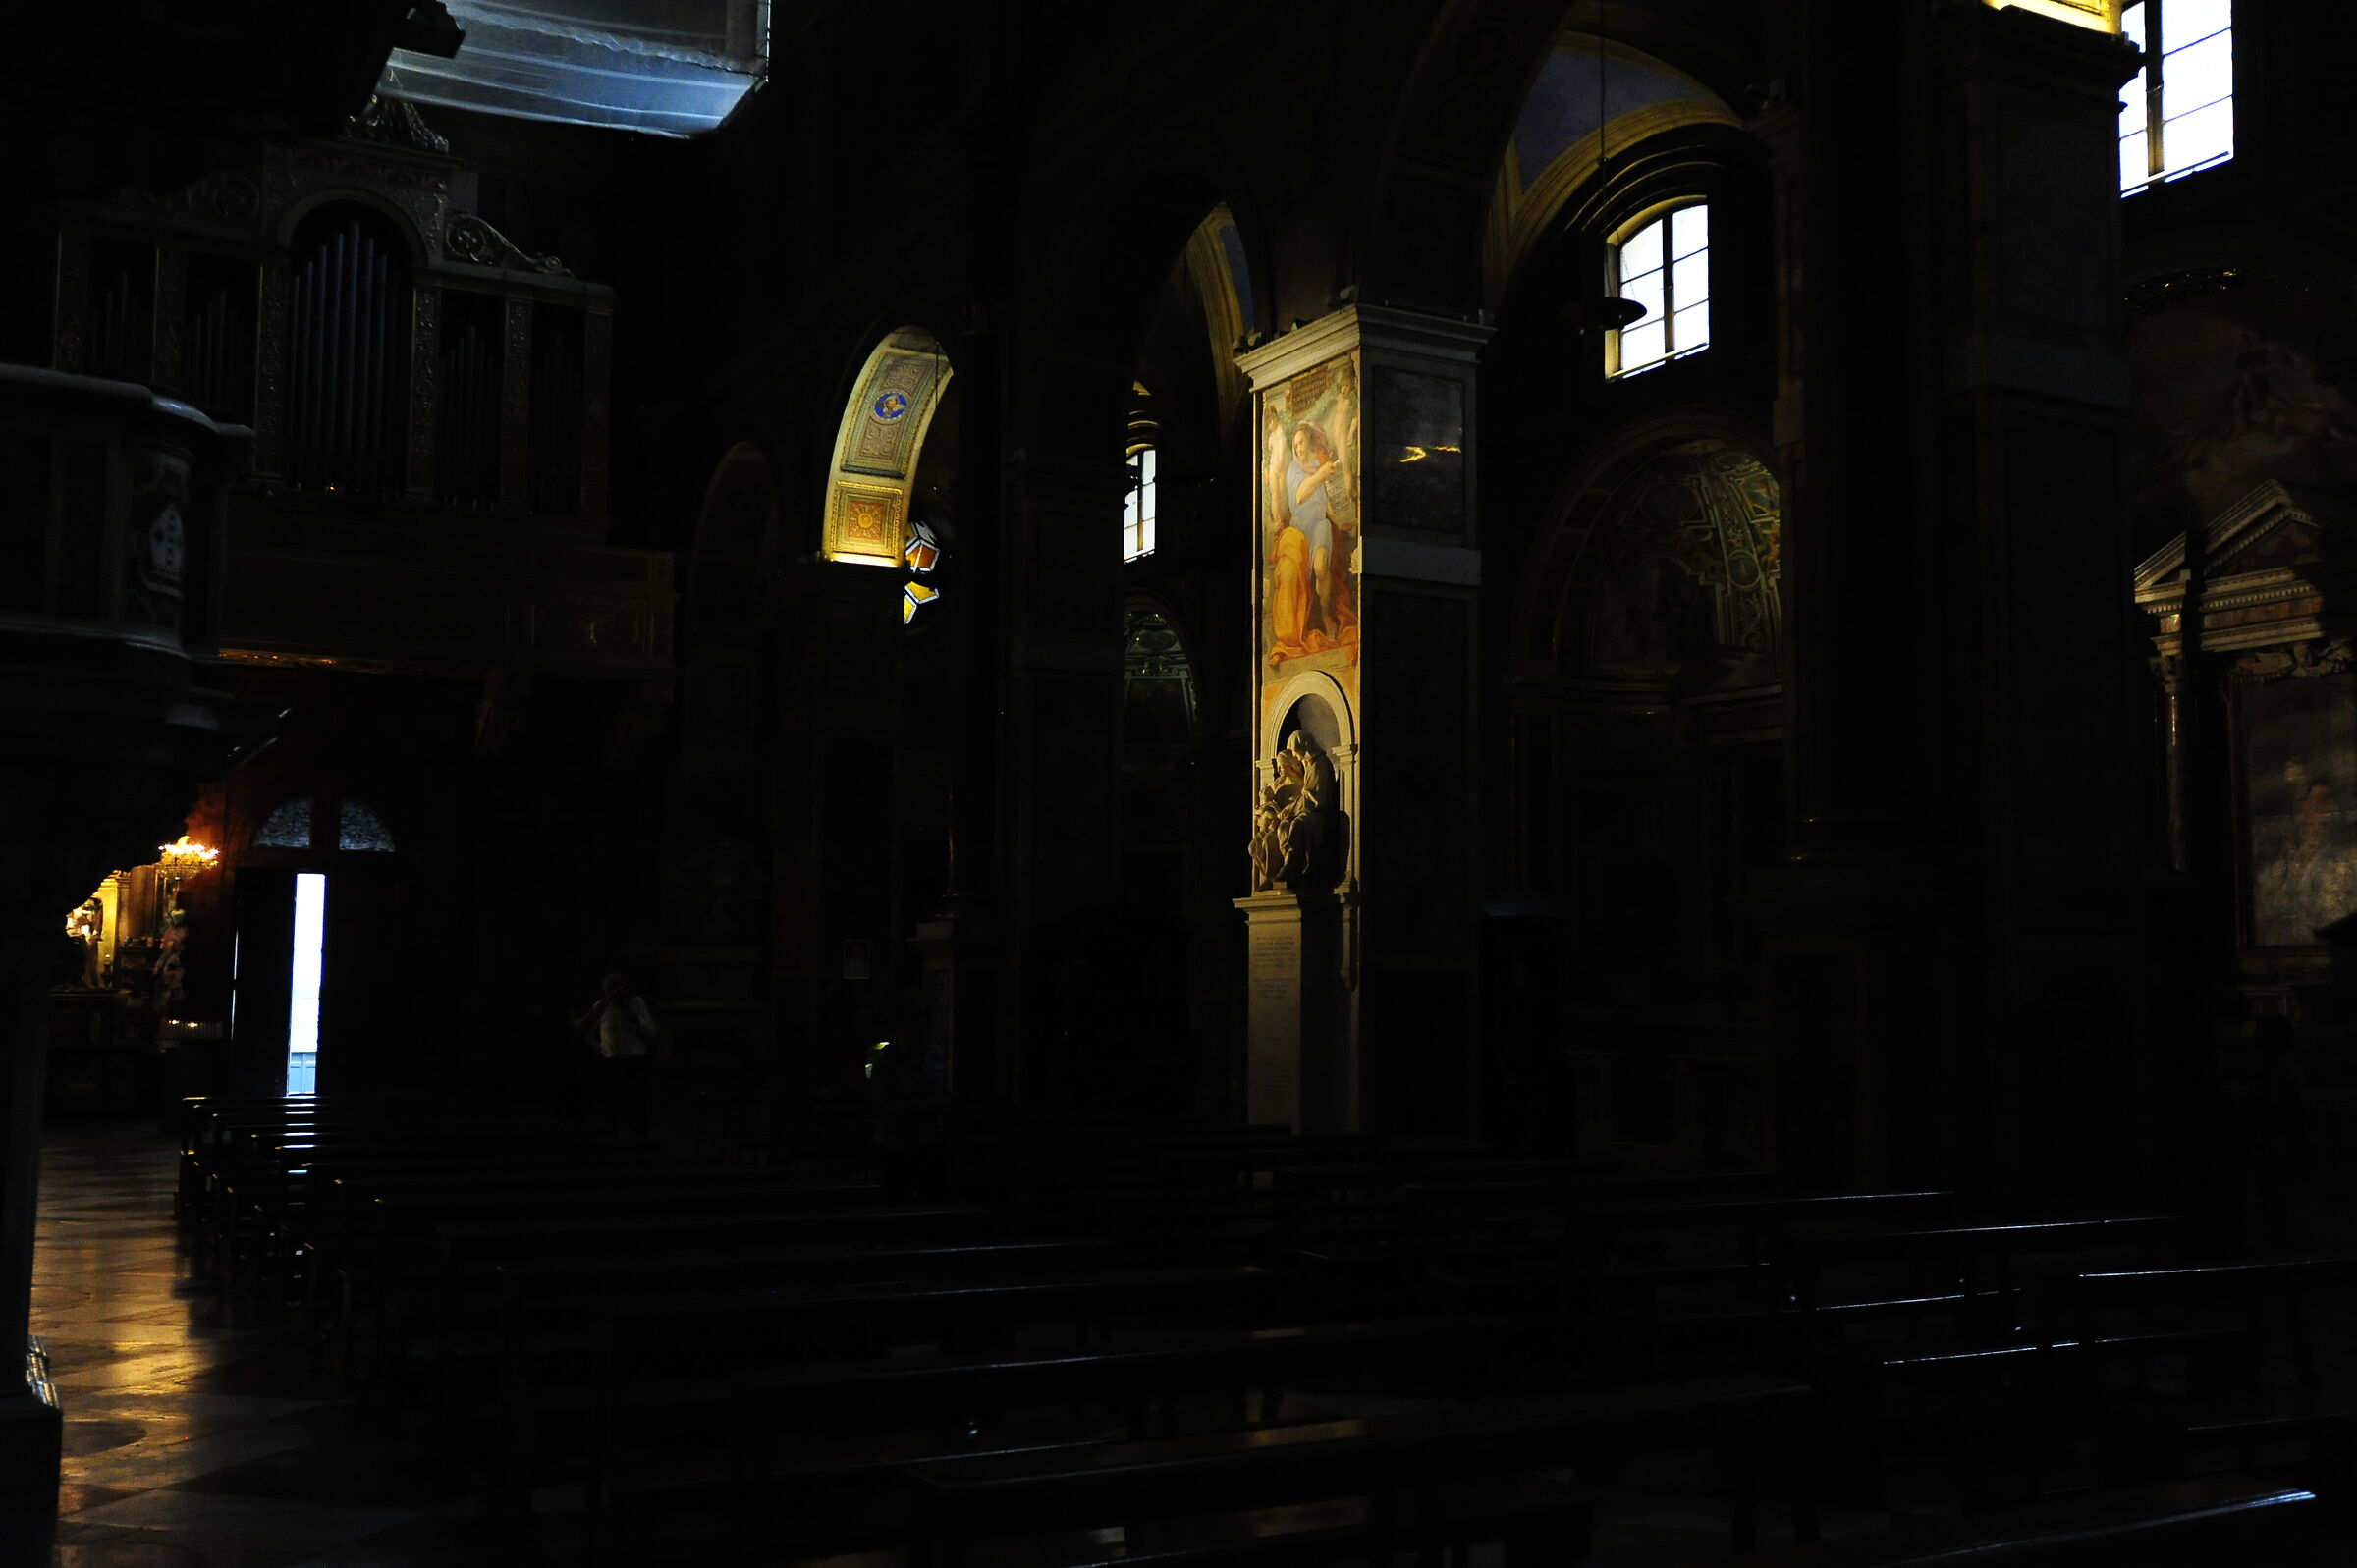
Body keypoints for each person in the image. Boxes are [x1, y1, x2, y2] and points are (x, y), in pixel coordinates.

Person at [574, 971, 661, 1137]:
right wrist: (597, 1048)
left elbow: (651, 1032)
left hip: (635, 1060)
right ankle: (613, 1136)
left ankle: (639, 1137)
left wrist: (637, 1020)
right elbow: (586, 1030)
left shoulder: (636, 1004)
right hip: (611, 1061)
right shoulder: (601, 1007)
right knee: (612, 1102)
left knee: (636, 1103)